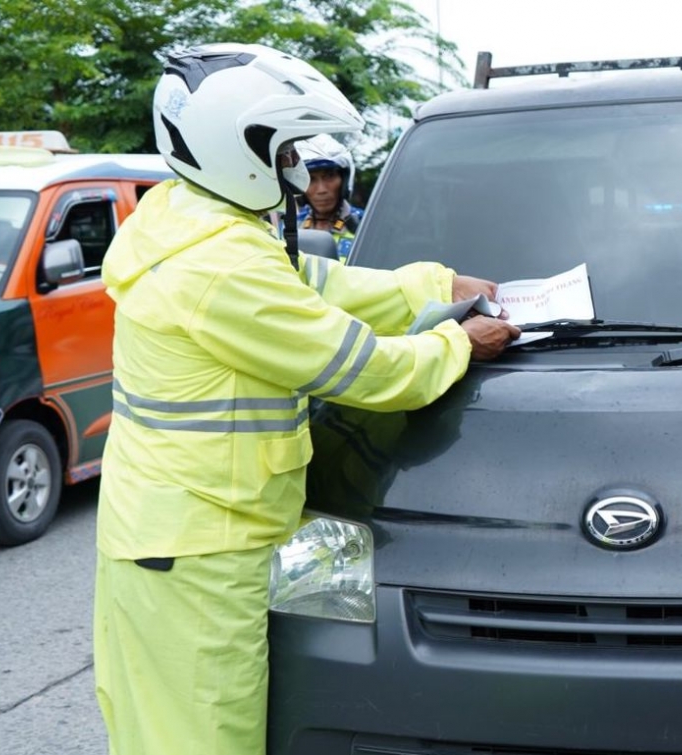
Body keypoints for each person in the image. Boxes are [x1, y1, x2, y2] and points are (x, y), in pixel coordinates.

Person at [92, 42, 520, 755]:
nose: (297, 168)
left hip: (178, 533)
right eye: (284, 148)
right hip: (197, 546)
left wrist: (431, 284)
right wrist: (459, 343)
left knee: (161, 730)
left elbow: (314, 291)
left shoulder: (189, 217)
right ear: (240, 149)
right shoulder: (218, 265)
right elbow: (366, 371)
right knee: (202, 737)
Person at [294, 133, 361, 261]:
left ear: (344, 181)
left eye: (329, 176)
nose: (321, 190)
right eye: (311, 179)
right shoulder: (290, 227)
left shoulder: (365, 225)